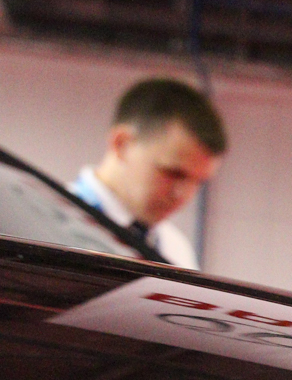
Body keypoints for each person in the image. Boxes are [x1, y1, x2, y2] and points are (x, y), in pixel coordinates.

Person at [69, 78, 228, 271]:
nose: (182, 195)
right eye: (173, 173)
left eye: (198, 182)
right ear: (122, 144)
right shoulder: (49, 224)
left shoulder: (177, 250)